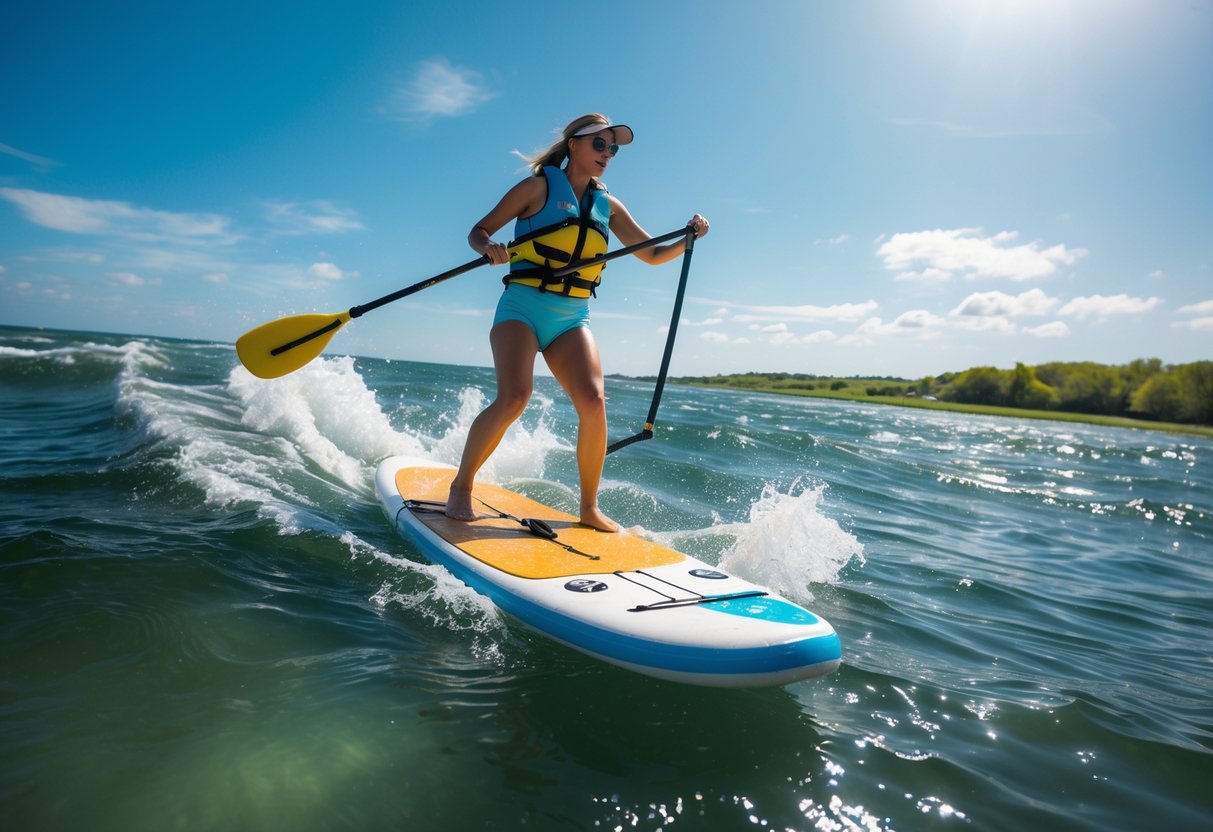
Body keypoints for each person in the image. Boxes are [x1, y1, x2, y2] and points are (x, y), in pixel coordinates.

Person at [445, 113, 709, 532]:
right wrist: (489, 247)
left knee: (594, 402)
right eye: (599, 145)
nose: (607, 154)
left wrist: (687, 239)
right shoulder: (537, 188)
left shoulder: (610, 205)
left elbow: (653, 255)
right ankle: (461, 486)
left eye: (613, 148)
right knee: (515, 396)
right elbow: (479, 230)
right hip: (523, 307)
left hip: (572, 316)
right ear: (574, 145)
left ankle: (588, 507)